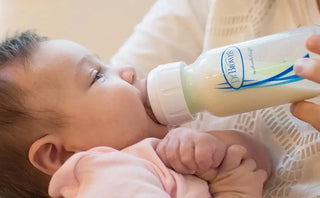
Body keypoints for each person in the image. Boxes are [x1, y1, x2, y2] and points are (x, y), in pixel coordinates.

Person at [0, 31, 271, 198]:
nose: (128, 71)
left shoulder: (157, 153)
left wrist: (215, 149)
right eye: (97, 76)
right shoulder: (104, 174)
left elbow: (261, 163)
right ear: (59, 155)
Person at [109, 0, 320, 197]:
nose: (127, 72)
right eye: (96, 75)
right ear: (74, 145)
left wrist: (227, 176)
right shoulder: (82, 172)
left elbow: (256, 160)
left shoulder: (172, 149)